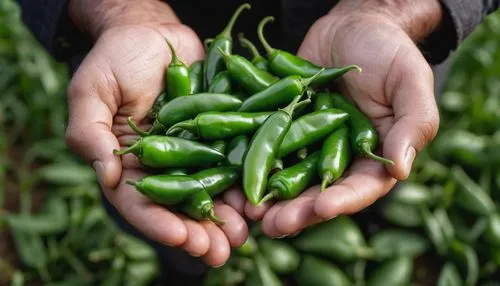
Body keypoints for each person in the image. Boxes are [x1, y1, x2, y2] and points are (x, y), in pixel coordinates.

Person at [17, 0, 500, 282]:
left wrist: (393, 8)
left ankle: (356, 225)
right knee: (181, 238)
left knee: (360, 173)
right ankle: (188, 269)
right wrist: (121, 11)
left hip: (373, 62)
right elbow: (240, 131)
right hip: (157, 52)